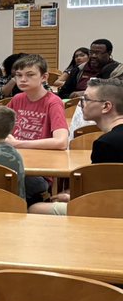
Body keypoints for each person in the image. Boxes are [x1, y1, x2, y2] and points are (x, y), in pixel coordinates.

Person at [31, 76, 123, 214]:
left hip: (111, 210)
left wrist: (72, 197)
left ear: (106, 106)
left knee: (35, 208)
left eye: (86, 99)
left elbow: (102, 193)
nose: (81, 104)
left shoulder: (106, 144)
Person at [5, 53, 69, 205]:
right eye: (18, 75)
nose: (22, 79)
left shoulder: (53, 102)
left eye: (30, 75)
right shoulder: (17, 99)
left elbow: (61, 142)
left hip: (40, 170)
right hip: (17, 160)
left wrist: (18, 144)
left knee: (8, 184)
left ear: (44, 77)